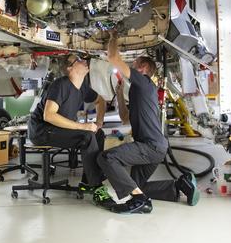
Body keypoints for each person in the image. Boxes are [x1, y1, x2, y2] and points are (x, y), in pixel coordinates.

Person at [97, 31, 199, 214]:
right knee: (136, 184)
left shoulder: (143, 82)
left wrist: (114, 37)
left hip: (150, 146)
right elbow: (124, 117)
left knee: (107, 157)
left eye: (134, 65)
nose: (131, 67)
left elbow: (113, 57)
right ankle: (178, 186)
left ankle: (140, 200)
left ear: (143, 68)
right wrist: (120, 94)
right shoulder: (140, 91)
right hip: (156, 147)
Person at [28, 53, 111, 205]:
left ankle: (87, 183)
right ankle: (97, 187)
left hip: (57, 129)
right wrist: (83, 126)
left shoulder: (82, 87)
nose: (83, 60)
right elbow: (49, 115)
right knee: (86, 137)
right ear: (69, 68)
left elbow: (101, 101)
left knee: (98, 134)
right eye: (78, 60)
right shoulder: (59, 85)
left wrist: (99, 122)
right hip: (42, 130)